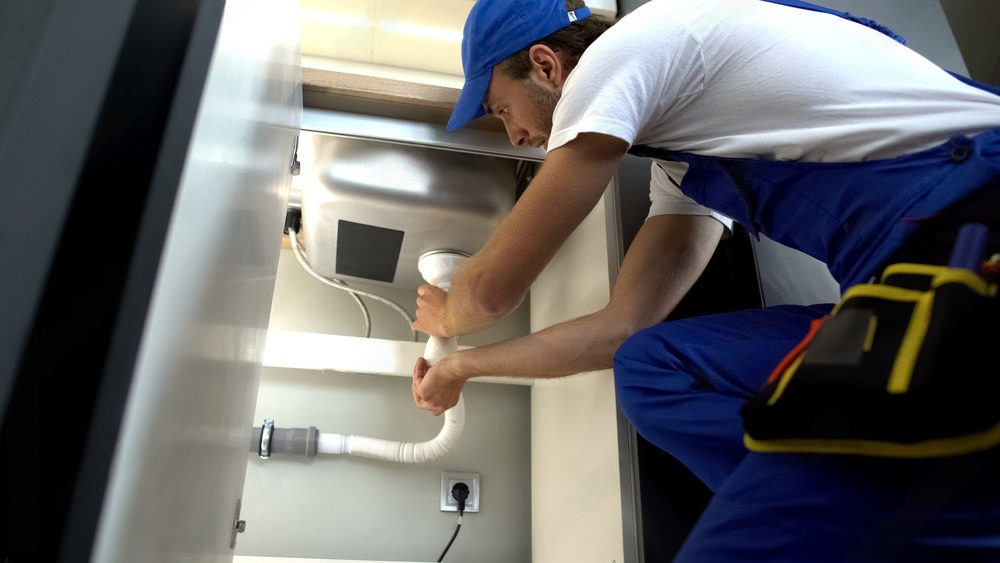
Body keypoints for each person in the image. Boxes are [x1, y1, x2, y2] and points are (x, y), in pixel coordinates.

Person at [410, 0, 1000, 559]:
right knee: (652, 365)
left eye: (501, 108)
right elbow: (620, 328)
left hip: (969, 214)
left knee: (756, 539)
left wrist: (448, 314)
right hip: (898, 277)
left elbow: (487, 295)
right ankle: (842, 502)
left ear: (545, 65)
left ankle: (833, 506)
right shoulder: (684, 159)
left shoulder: (630, 50)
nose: (514, 135)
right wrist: (462, 366)